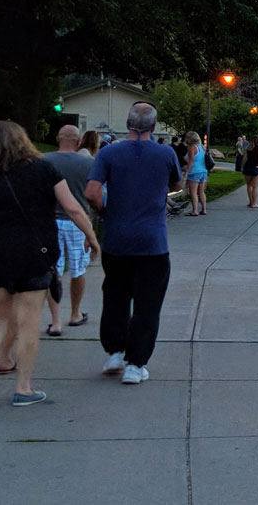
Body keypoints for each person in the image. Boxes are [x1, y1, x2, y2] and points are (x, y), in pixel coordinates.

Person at [0, 120, 100, 405]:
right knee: (28, 323)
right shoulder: (43, 168)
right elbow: (73, 208)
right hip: (35, 255)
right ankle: (23, 388)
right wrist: (92, 236)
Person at [84, 103, 181, 385]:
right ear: (153, 126)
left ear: (127, 123)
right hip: (153, 240)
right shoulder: (165, 153)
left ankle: (114, 352)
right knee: (148, 303)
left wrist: (105, 211)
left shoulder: (108, 152)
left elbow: (91, 191)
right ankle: (136, 365)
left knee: (115, 295)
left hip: (117, 239)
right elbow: (176, 182)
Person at [40, 125, 97, 335]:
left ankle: (55, 321)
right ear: (79, 141)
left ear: (57, 138)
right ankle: (75, 314)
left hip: (49, 220)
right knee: (78, 269)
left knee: (53, 270)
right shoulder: (89, 163)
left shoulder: (43, 161)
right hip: (78, 221)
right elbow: (93, 195)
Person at [183, 131, 209, 216]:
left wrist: (186, 171)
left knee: (193, 192)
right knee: (201, 192)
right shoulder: (202, 147)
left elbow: (191, 161)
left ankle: (195, 210)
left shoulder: (192, 147)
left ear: (190, 139)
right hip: (203, 171)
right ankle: (204, 209)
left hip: (194, 172)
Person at [242, 135, 258, 208]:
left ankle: (250, 202)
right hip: (256, 167)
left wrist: (242, 167)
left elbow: (245, 158)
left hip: (247, 167)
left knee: (249, 185)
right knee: (255, 187)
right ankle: (254, 203)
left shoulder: (248, 148)